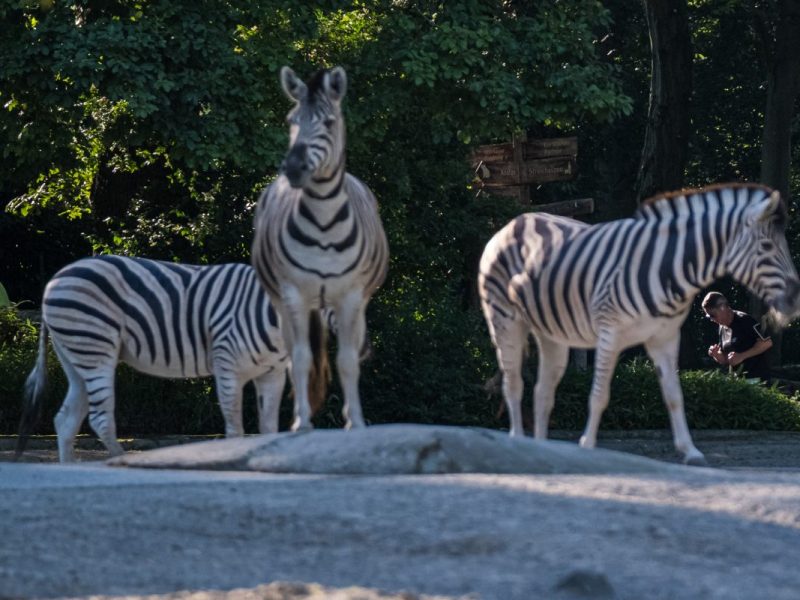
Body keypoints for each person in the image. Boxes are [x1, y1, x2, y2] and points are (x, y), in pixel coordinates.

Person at [702, 291, 773, 382]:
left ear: (723, 308)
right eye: (709, 317)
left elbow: (767, 342)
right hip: (737, 381)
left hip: (756, 378)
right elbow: (728, 360)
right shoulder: (721, 327)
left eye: (713, 315)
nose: (712, 319)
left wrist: (742, 356)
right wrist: (717, 355)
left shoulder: (745, 320)